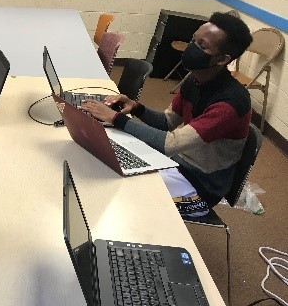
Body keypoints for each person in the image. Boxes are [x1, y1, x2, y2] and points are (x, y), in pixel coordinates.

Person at [82, 12, 253, 217]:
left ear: (223, 59)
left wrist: (114, 118)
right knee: (106, 161)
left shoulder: (231, 102)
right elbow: (167, 122)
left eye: (202, 45)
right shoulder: (195, 79)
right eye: (193, 40)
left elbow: (170, 143)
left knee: (119, 192)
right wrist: (136, 108)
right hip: (176, 163)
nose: (192, 48)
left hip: (201, 187)